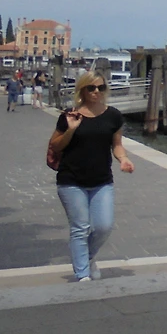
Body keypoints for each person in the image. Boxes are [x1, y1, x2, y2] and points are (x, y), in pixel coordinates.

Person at [49, 73, 133, 281]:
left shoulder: (113, 115)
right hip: (71, 180)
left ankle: (86, 257)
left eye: (101, 88)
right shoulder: (70, 115)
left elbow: (117, 144)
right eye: (91, 88)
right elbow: (55, 145)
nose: (96, 92)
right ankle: (82, 275)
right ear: (82, 90)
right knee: (80, 228)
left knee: (104, 226)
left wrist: (123, 159)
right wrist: (71, 129)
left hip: (102, 180)